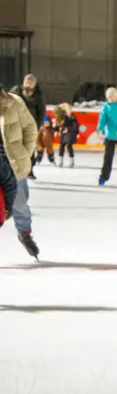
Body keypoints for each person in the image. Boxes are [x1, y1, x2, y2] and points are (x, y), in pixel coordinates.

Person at [0, 88, 40, 258]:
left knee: (20, 202)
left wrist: (25, 153)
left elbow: (30, 128)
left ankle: (24, 233)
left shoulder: (14, 102)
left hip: (12, 161)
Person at [10, 74, 44, 180]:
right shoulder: (16, 91)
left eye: (31, 83)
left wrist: (37, 127)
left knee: (29, 150)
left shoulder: (39, 95)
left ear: (34, 84)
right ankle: (12, 170)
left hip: (30, 127)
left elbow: (41, 112)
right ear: (23, 82)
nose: (28, 85)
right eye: (27, 82)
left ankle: (29, 171)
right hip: (15, 124)